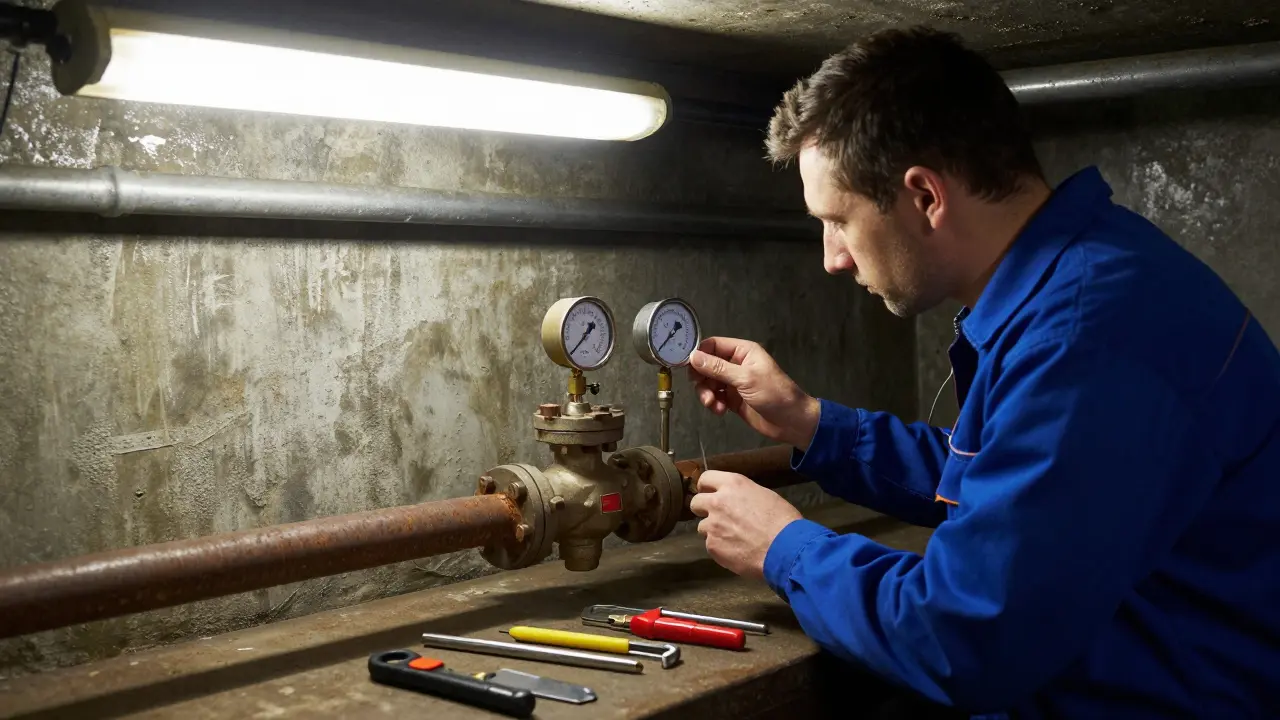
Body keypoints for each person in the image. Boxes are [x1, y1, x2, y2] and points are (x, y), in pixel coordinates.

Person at [687, 26, 1280, 719]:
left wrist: (785, 548)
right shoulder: (1080, 279)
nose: (833, 258)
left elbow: (965, 639)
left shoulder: (1084, 336)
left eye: (838, 220)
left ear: (925, 197)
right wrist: (814, 427)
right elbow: (1018, 490)